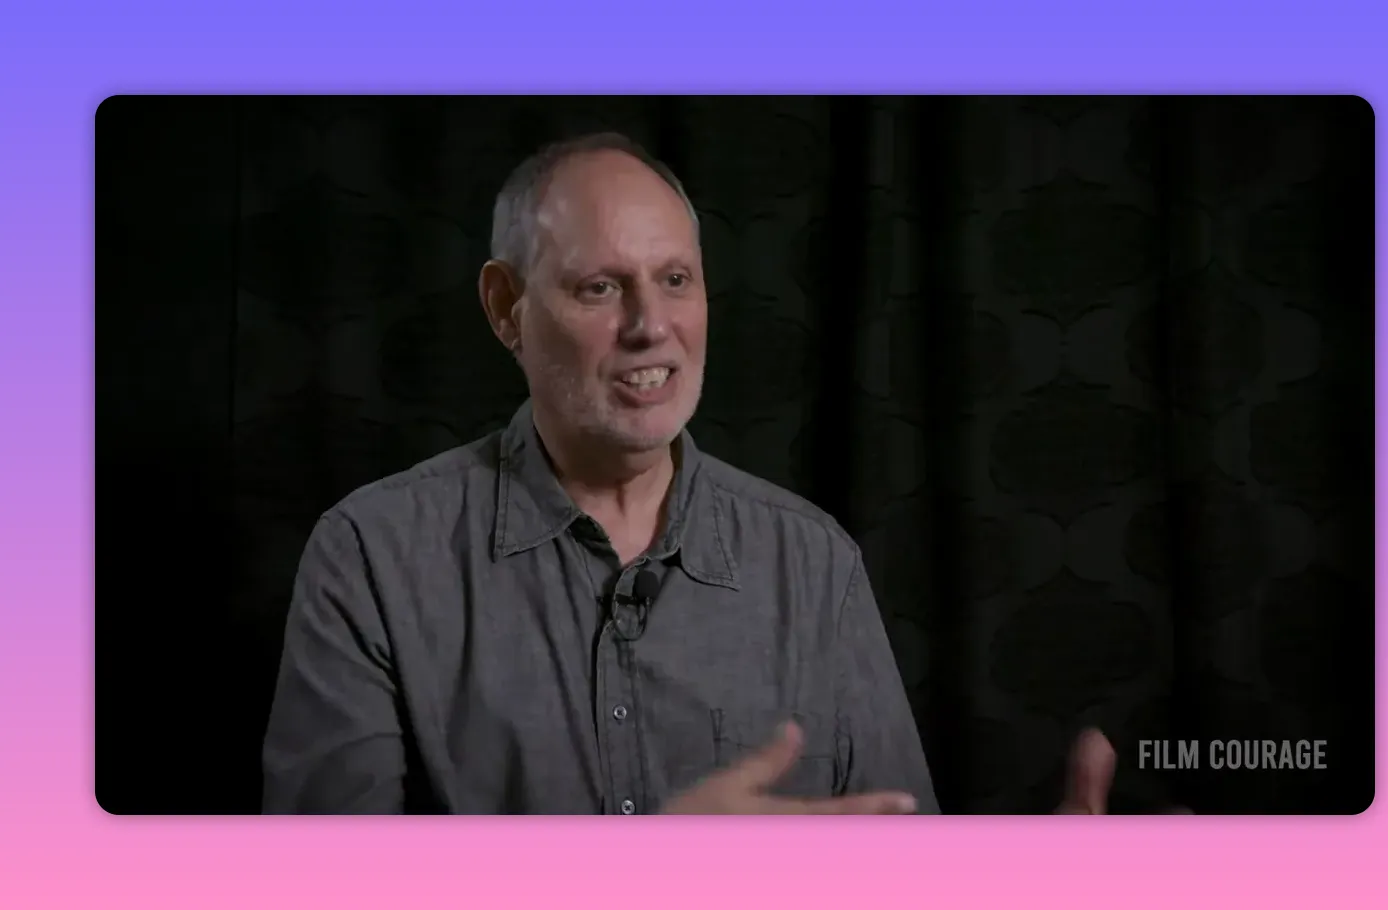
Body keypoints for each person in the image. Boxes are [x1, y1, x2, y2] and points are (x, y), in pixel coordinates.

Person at [261, 132, 1119, 815]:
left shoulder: (813, 563)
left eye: (675, 279)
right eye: (600, 287)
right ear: (505, 308)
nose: (650, 326)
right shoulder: (371, 558)